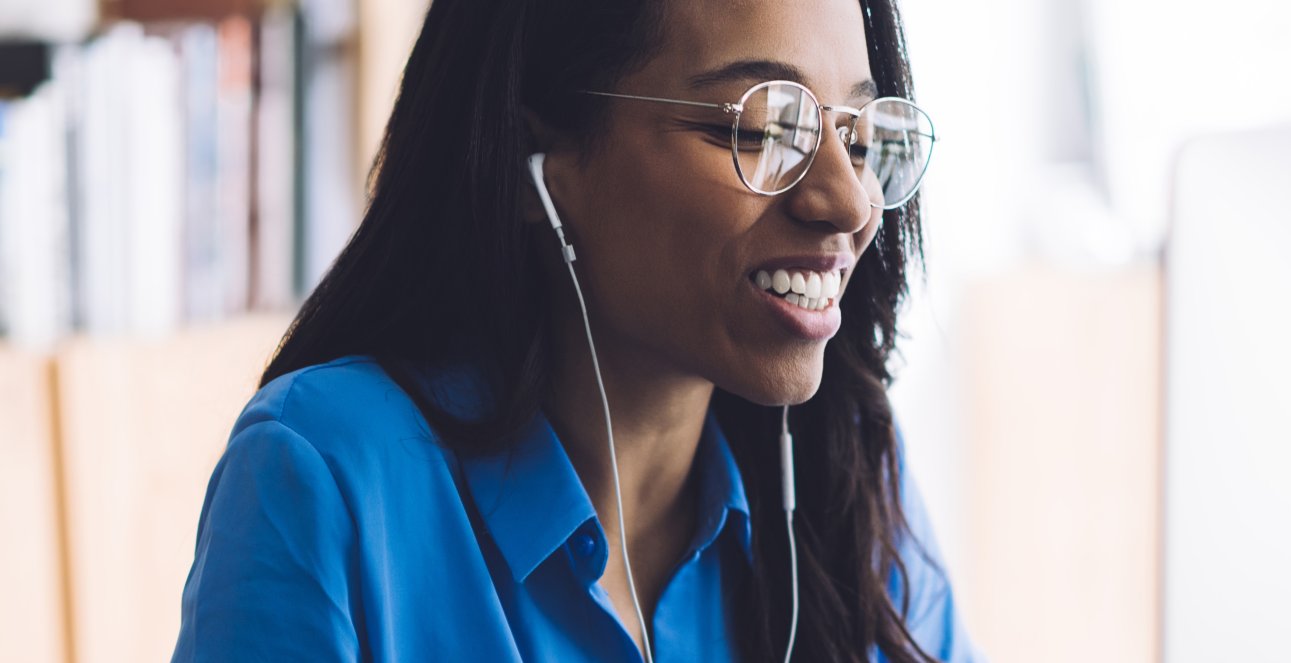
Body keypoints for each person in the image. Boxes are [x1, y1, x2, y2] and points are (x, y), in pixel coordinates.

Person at [171, 0, 981, 661]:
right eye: (763, 129)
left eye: (860, 134)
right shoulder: (325, 476)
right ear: (536, 153)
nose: (849, 203)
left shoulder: (850, 478)